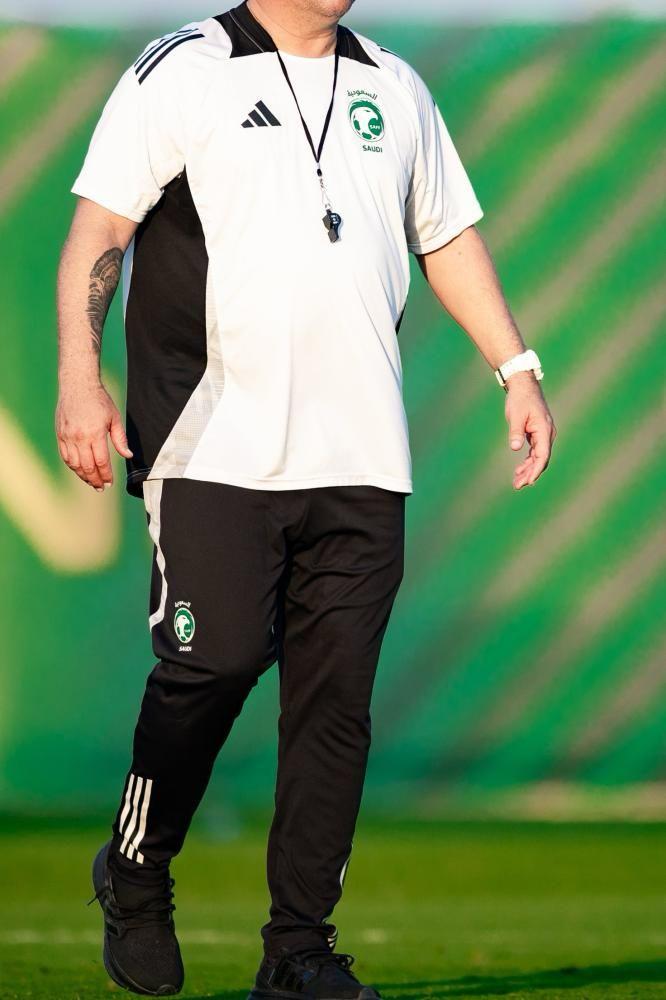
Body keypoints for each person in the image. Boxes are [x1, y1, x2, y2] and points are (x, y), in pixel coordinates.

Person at [56, 0, 556, 996]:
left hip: (363, 455)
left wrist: (517, 367)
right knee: (214, 659)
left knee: (334, 708)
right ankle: (137, 868)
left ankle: (298, 950)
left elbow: (446, 234)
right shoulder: (184, 67)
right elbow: (102, 224)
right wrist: (80, 375)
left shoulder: (395, 86)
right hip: (211, 443)